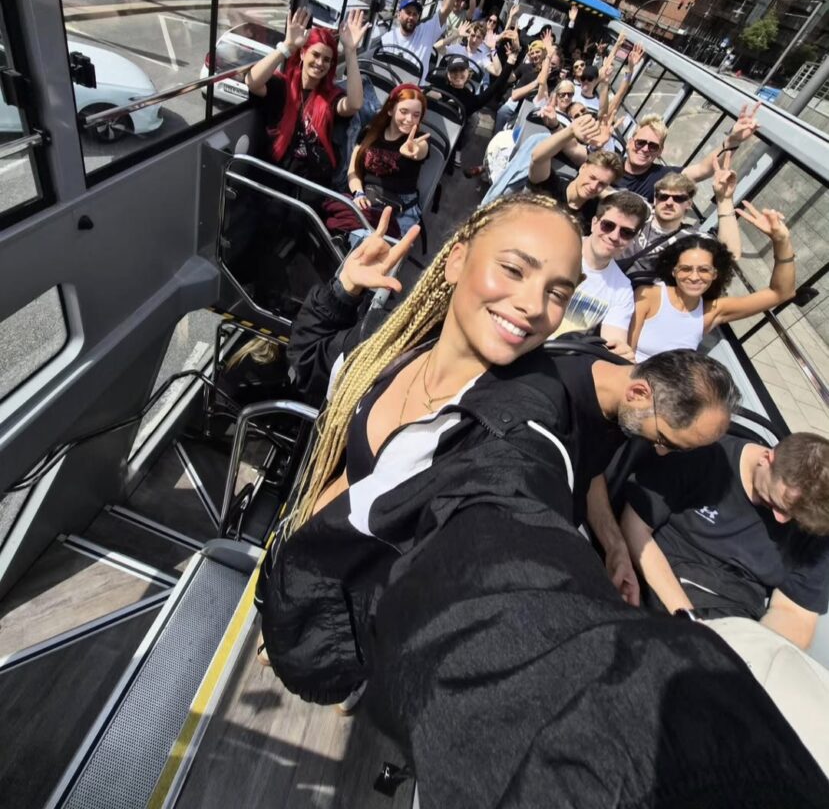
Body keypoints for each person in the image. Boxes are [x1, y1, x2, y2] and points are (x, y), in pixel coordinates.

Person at [256, 196, 829, 808]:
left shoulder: (517, 418)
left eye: (558, 292)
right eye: (514, 269)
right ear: (456, 259)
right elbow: (311, 363)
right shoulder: (394, 342)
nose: (534, 305)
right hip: (309, 552)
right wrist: (343, 289)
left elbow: (513, 528)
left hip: (366, 602)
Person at [552, 347, 740, 606]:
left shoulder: (622, 409)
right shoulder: (552, 406)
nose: (661, 452)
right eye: (664, 439)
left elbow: (590, 470)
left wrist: (615, 547)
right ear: (639, 393)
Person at [621, 430, 829, 647]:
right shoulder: (705, 456)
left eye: (792, 515)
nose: (781, 519)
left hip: (736, 617)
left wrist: (752, 653)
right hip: (667, 582)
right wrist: (690, 619)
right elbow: (634, 527)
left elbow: (794, 613)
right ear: (766, 459)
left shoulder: (814, 521)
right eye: (773, 503)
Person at [629, 203, 796, 362]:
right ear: (673, 271)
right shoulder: (649, 295)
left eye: (704, 270)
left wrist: (781, 241)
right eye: (686, 269)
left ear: (715, 274)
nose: (694, 277)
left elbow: (782, 293)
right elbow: (624, 354)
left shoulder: (711, 312)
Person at [244, 7, 369, 186]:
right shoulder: (282, 87)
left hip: (308, 184)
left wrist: (350, 51)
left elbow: (355, 104)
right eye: (315, 55)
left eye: (327, 60)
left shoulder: (329, 98)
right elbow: (252, 81)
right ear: (303, 53)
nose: (320, 63)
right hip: (270, 177)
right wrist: (287, 46)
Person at [617, 159, 741, 287]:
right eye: (663, 196)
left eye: (678, 199)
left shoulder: (690, 238)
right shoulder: (639, 211)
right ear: (655, 198)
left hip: (639, 293)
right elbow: (606, 189)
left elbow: (731, 254)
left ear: (688, 204)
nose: (669, 203)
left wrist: (724, 199)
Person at [552, 191, 649, 353]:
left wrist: (621, 352)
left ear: (632, 240)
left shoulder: (622, 289)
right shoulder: (556, 247)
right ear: (594, 223)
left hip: (562, 356)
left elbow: (613, 341)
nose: (614, 236)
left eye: (626, 232)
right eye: (608, 225)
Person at [619, 102, 761, 202]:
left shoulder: (661, 176)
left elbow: (703, 170)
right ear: (630, 143)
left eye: (653, 146)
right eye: (640, 142)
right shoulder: (611, 165)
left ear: (660, 152)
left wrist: (733, 140)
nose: (645, 149)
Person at [345, 84, 430, 236]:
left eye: (416, 115)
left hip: (400, 208)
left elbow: (421, 150)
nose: (409, 119)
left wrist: (416, 150)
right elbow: (354, 170)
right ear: (390, 110)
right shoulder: (369, 133)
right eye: (404, 112)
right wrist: (358, 193)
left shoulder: (418, 140)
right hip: (367, 197)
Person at [377, 0, 470, 83]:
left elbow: (445, 10)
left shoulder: (426, 32)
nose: (411, 17)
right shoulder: (388, 38)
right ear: (398, 14)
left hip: (414, 92)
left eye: (415, 14)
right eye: (408, 12)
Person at [427, 47, 518, 168]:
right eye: (454, 70)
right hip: (429, 130)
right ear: (447, 73)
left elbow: (496, 86)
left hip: (448, 141)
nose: (458, 74)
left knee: (472, 121)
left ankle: (458, 149)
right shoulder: (438, 85)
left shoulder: (470, 99)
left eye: (462, 70)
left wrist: (511, 60)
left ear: (468, 73)